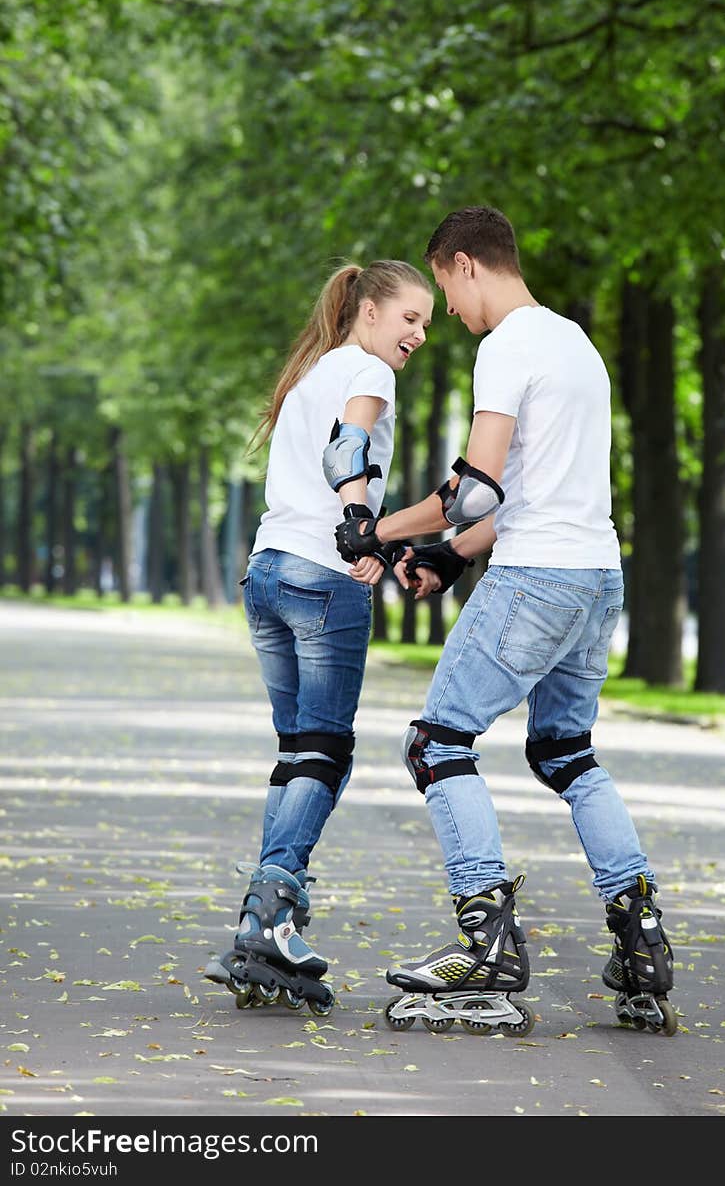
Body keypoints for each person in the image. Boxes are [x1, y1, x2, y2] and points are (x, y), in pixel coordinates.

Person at [336, 207, 676, 1036]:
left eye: (445, 291)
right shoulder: (577, 345)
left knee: (436, 743)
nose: (448, 313)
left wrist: (377, 529)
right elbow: (525, 496)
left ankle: (487, 941)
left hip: (538, 577)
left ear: (464, 264)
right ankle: (642, 940)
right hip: (597, 575)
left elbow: (475, 489)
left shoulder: (508, 345)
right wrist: (453, 557)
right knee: (567, 753)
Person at [205, 259, 433, 1015]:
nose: (420, 334)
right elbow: (350, 445)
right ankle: (267, 912)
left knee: (298, 755)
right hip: (321, 577)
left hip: (267, 571)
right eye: (410, 317)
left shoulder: (311, 369)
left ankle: (273, 919)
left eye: (427, 323)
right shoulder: (369, 371)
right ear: (369, 311)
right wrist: (359, 525)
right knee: (325, 751)